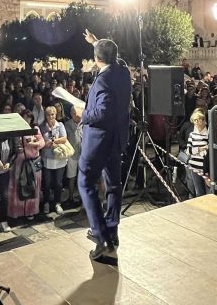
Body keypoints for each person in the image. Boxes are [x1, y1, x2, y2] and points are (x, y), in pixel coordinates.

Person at [78, 30, 131, 264]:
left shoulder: (103, 80)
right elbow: (114, 57)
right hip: (117, 139)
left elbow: (102, 113)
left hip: (99, 140)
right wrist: (97, 42)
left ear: (98, 59)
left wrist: (83, 114)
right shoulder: (123, 72)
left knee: (86, 182)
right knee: (113, 185)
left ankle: (101, 237)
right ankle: (112, 229)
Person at [7, 110, 45, 220]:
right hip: (20, 162)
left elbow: (42, 142)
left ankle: (31, 211)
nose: (26, 119)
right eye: (24, 117)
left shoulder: (35, 129)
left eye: (29, 117)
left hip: (33, 162)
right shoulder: (16, 129)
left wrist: (35, 144)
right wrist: (17, 148)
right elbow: (12, 144)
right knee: (18, 186)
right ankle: (17, 212)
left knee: (33, 185)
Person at [40, 105, 68, 215]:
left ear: (56, 114)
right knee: (47, 183)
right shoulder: (42, 127)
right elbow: (41, 141)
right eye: (49, 114)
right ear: (46, 115)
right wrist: (45, 143)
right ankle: (46, 202)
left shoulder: (60, 125)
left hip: (59, 158)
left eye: (53, 114)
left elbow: (64, 138)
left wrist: (54, 141)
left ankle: (57, 203)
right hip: (47, 158)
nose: (51, 116)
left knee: (58, 183)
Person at [185, 108, 209, 197]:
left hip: (205, 168)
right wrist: (201, 148)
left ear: (203, 121)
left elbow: (208, 151)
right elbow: (189, 151)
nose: (196, 122)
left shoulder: (208, 134)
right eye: (194, 120)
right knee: (198, 192)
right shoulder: (192, 134)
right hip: (194, 167)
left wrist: (197, 150)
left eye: (198, 120)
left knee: (208, 192)